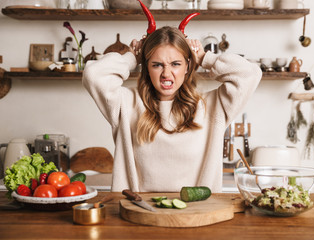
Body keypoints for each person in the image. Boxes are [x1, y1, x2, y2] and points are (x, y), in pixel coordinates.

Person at [83, 5, 262, 193]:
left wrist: (204, 58)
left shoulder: (212, 107)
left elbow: (250, 74)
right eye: (157, 64)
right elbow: (93, 75)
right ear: (146, 67)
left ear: (187, 66)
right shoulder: (126, 105)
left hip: (197, 216)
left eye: (175, 64)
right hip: (139, 215)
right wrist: (132, 57)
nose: (166, 74)